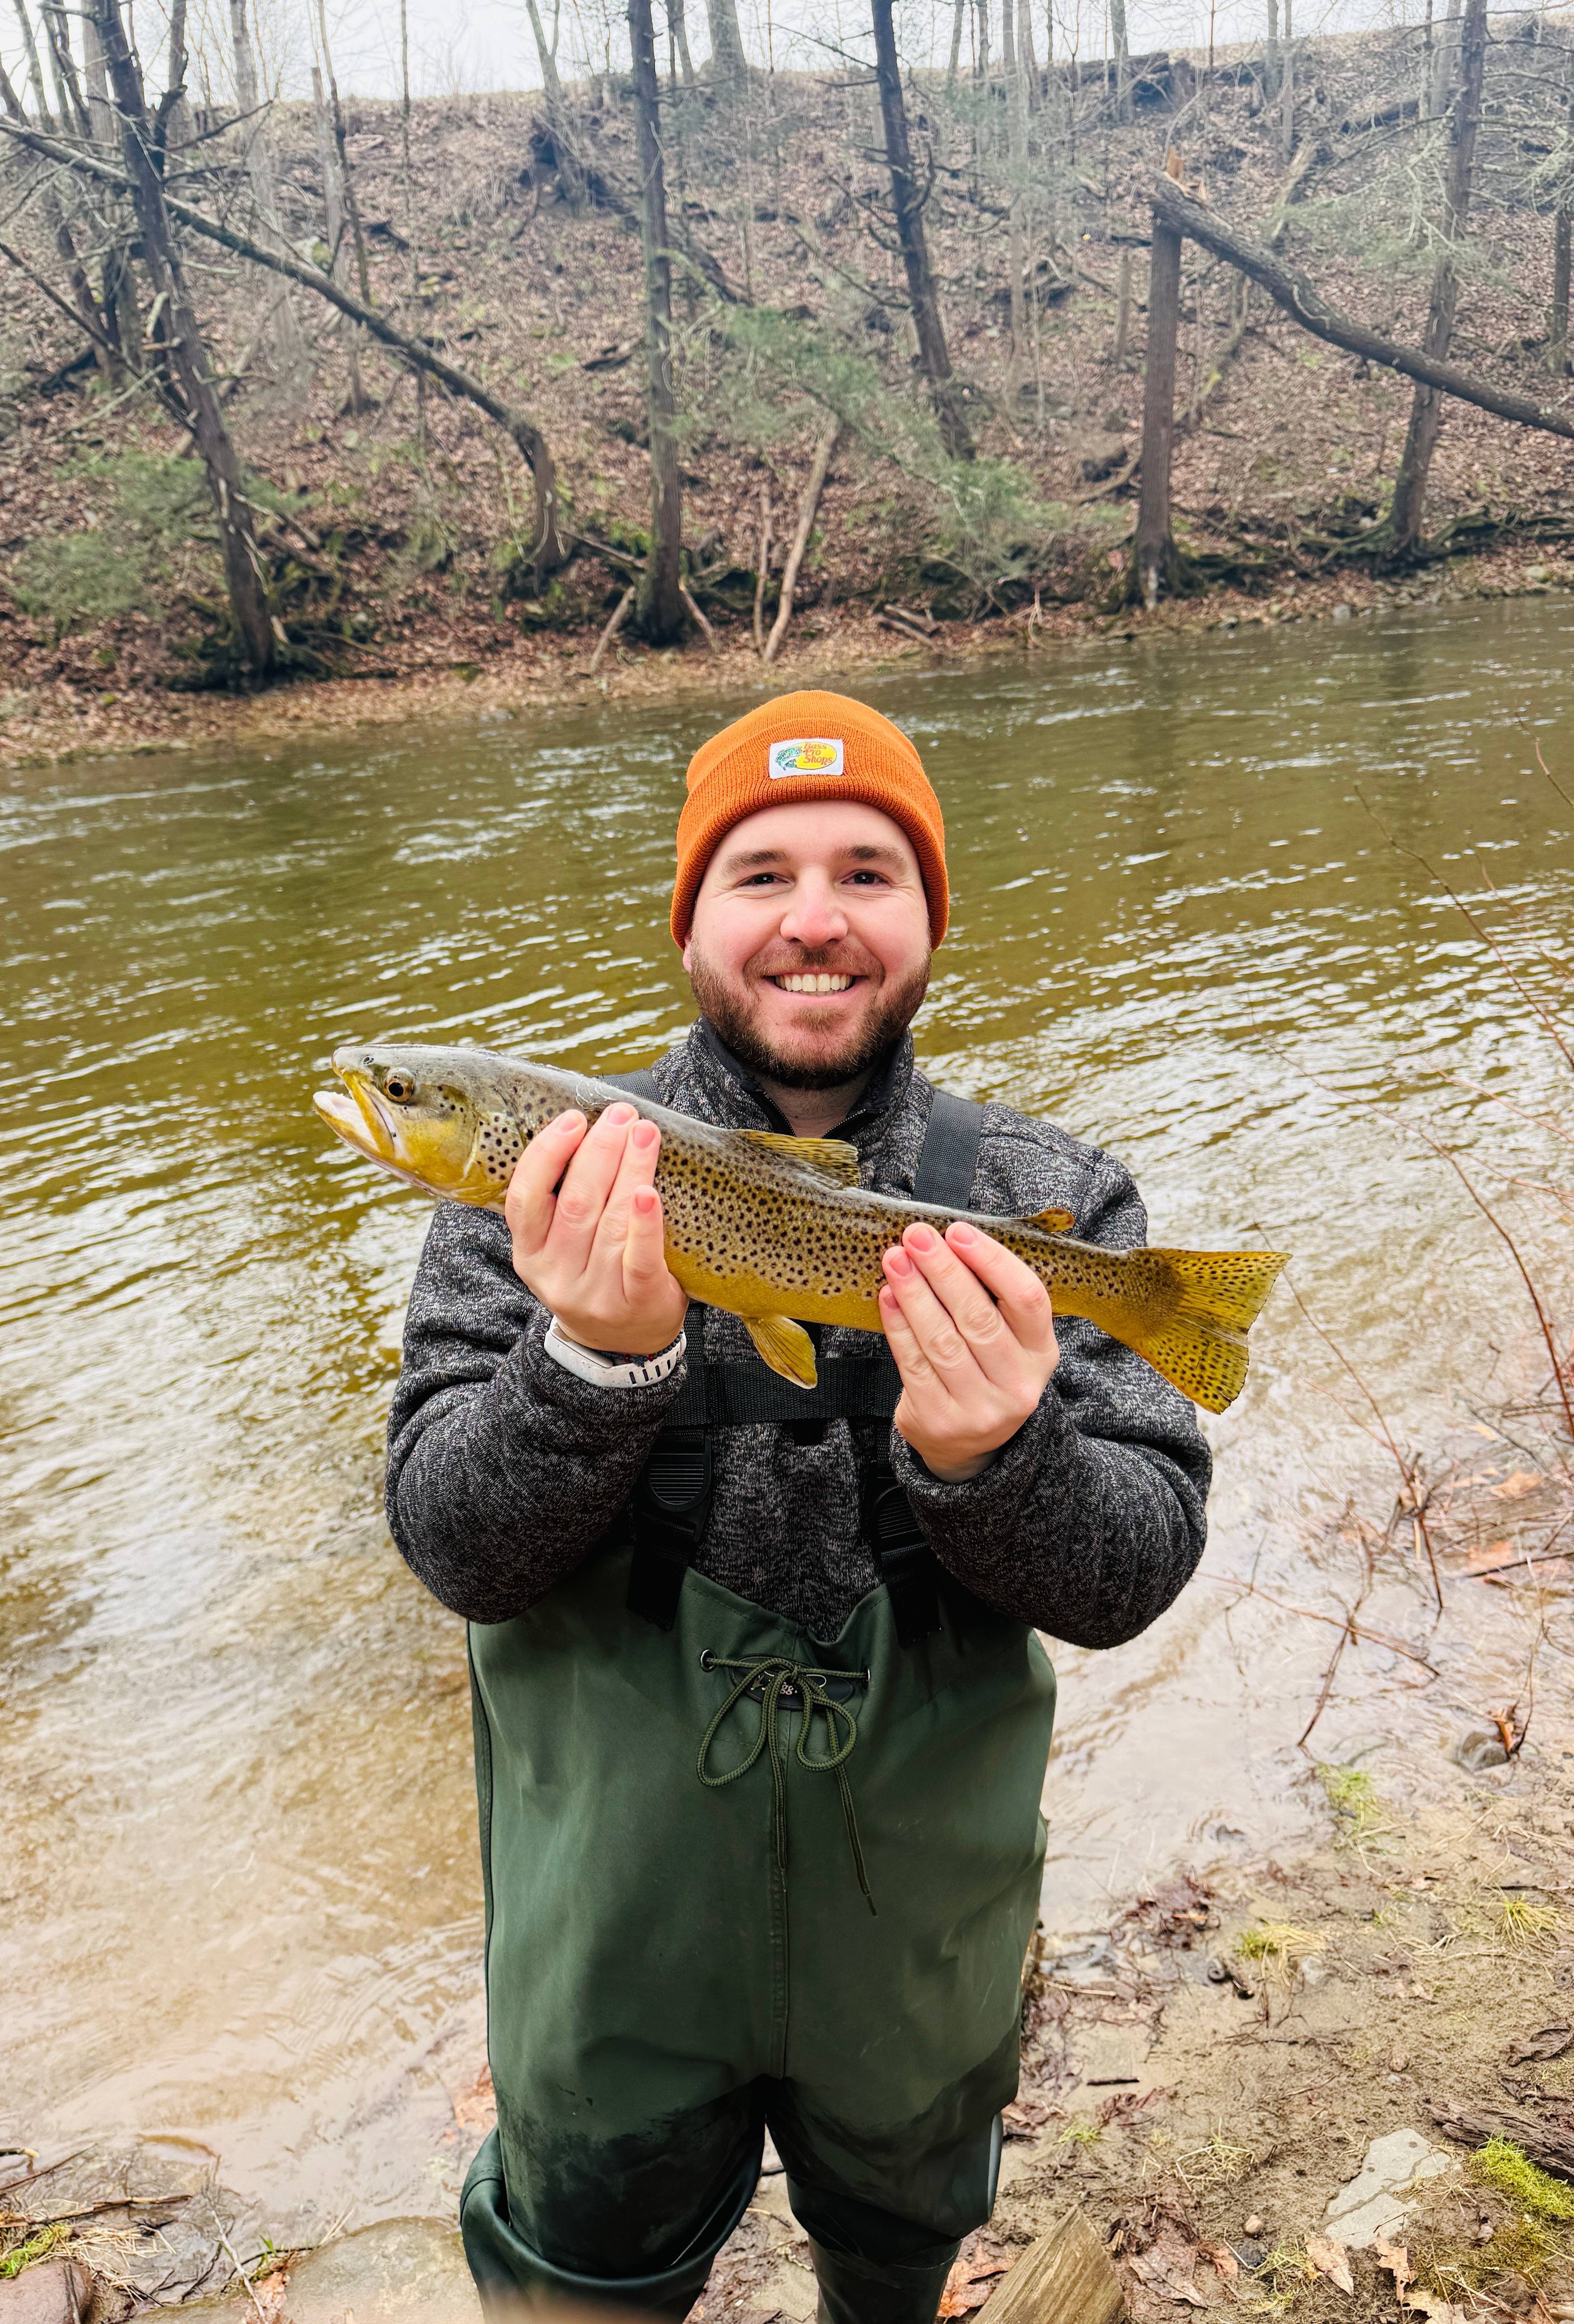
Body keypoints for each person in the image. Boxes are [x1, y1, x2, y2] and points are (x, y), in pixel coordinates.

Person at [386, 690, 1210, 2324]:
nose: (815, 921)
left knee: (896, 2261)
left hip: (917, 1940)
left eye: (867, 873)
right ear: (691, 921)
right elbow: (454, 1550)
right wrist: (588, 1370)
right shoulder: (540, 1184)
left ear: (927, 921)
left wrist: (1003, 1460)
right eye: (759, 875)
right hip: (609, 1943)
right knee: (578, 2279)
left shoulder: (1052, 1198)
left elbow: (1133, 1570)